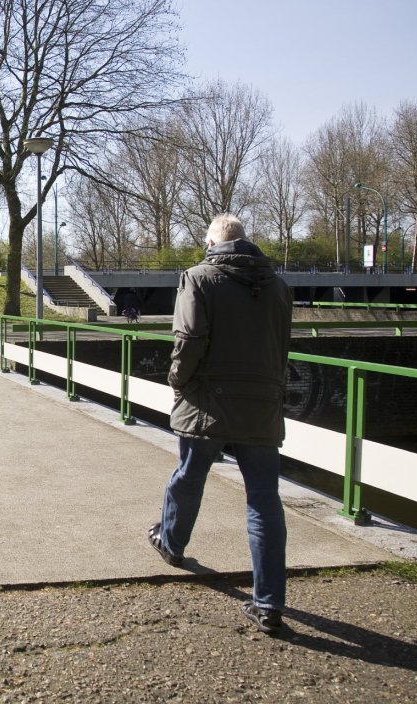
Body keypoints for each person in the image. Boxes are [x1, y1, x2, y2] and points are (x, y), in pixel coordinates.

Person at [148, 214, 293, 634]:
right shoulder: (279, 286)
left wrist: (177, 379)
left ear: (211, 243)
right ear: (246, 243)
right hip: (261, 404)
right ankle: (268, 603)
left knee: (188, 476)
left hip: (208, 401)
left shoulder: (198, 278)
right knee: (264, 499)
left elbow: (190, 338)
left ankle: (172, 543)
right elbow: (282, 345)